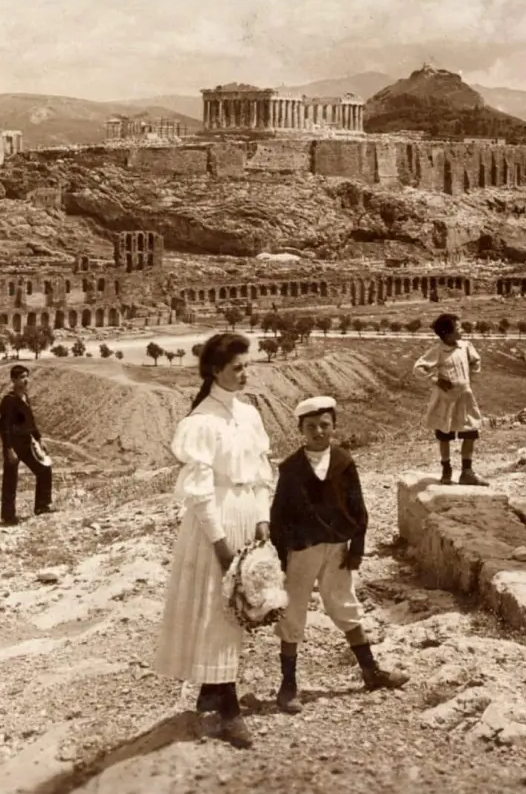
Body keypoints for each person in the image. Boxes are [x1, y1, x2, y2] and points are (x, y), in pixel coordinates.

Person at [153, 333, 273, 749]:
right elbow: (200, 493)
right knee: (218, 613)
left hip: (246, 515)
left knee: (237, 611)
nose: (244, 374)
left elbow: (261, 470)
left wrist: (262, 518)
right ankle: (229, 712)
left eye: (247, 366)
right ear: (215, 371)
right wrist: (221, 544)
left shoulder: (249, 414)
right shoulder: (201, 422)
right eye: (237, 368)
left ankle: (212, 693)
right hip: (215, 523)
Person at [269, 396, 409, 714]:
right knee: (292, 611)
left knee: (344, 603)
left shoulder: (344, 462)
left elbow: (358, 507)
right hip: (302, 550)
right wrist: (280, 557)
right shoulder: (291, 468)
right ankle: (288, 685)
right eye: (311, 426)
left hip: (336, 549)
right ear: (301, 430)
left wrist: (357, 547)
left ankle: (370, 671)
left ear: (334, 426)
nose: (318, 432)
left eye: (324, 425)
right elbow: (279, 514)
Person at [412, 314, 488, 486]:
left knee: (470, 431)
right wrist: (435, 379)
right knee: (444, 435)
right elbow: (418, 368)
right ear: (447, 333)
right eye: (458, 328)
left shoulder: (465, 346)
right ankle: (446, 470)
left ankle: (467, 472)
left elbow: (476, 361)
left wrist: (468, 379)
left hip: (465, 398)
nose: (462, 330)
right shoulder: (438, 351)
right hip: (446, 400)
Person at [0, 365, 54, 525]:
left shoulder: (25, 397)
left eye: (26, 376)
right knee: (10, 479)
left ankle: (42, 506)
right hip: (13, 444)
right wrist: (9, 449)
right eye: (21, 377)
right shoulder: (9, 401)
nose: (26, 380)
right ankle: (8, 517)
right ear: (13, 380)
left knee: (44, 470)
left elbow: (31, 422)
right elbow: (3, 428)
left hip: (26, 442)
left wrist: (39, 439)